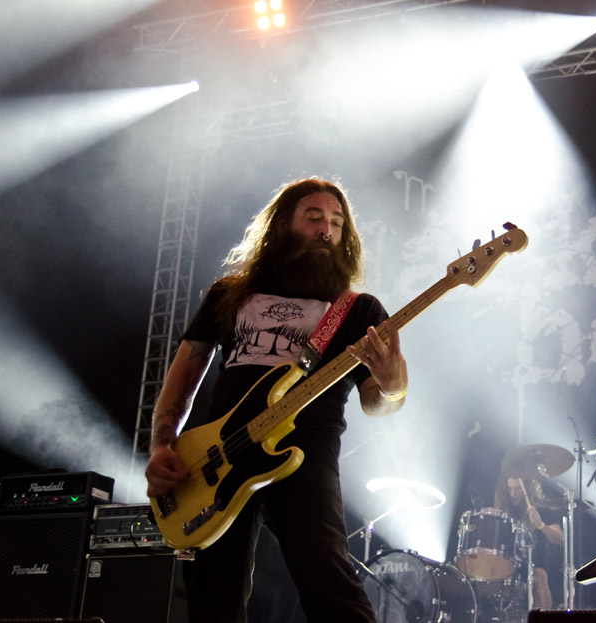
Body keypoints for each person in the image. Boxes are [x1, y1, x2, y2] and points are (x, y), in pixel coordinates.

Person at [144, 177, 408, 622]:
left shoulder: (358, 310)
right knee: (213, 591)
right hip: (219, 454)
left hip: (306, 453)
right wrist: (161, 444)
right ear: (283, 224)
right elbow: (184, 374)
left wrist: (393, 384)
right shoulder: (230, 295)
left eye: (337, 222)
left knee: (327, 577)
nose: (327, 229)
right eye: (314, 217)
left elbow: (376, 402)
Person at [492, 472, 565, 611]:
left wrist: (541, 524)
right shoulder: (503, 511)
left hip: (536, 566)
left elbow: (560, 539)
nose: (513, 493)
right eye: (509, 488)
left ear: (528, 488)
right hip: (509, 565)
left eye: (518, 488)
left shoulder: (543, 510)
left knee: (539, 574)